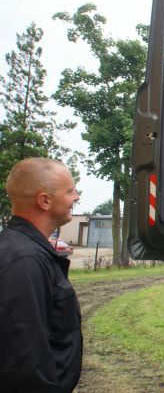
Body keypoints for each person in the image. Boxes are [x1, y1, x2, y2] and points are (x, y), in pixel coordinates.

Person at [0, 158, 82, 392]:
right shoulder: (24, 262)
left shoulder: (24, 251)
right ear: (45, 201)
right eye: (70, 191)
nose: (76, 197)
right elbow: (24, 367)